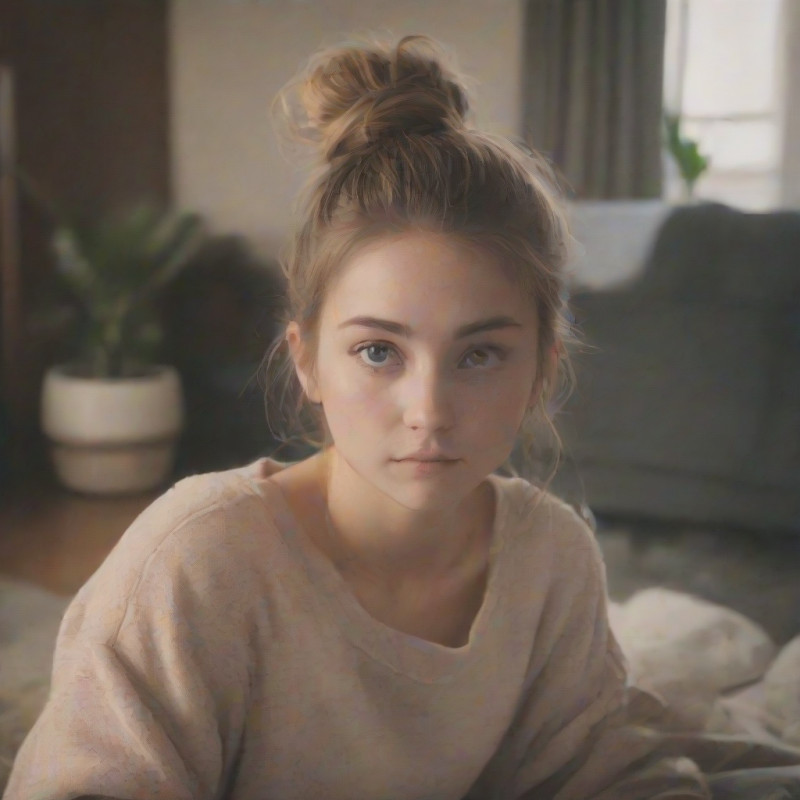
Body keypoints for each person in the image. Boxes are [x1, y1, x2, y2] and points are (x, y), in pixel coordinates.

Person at [3, 34, 766, 800]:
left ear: (544, 367)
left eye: (479, 355)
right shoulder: (197, 561)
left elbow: (604, 769)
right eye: (377, 352)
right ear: (306, 360)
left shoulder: (551, 558)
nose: (428, 412)